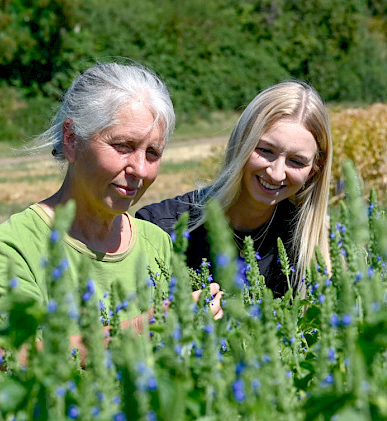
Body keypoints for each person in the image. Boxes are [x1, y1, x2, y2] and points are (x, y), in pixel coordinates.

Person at [0, 61, 221, 359]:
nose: (140, 169)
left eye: (153, 153)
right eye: (123, 146)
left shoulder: (156, 242)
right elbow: (6, 358)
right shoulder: (16, 244)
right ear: (71, 140)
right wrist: (140, 328)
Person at [136, 80, 332, 298]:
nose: (276, 173)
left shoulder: (312, 244)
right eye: (266, 150)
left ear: (313, 170)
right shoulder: (161, 227)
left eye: (296, 161)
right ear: (242, 143)